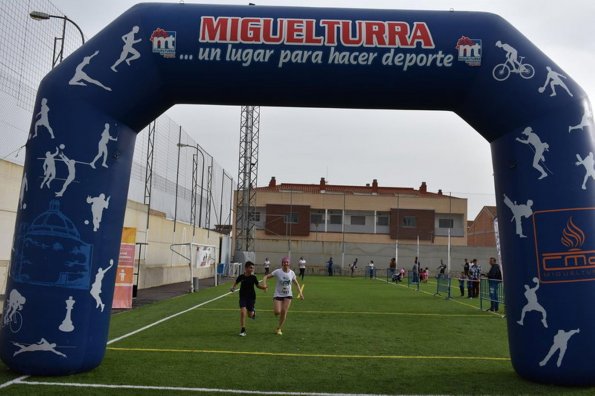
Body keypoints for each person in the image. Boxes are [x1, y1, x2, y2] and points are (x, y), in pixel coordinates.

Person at [262, 257, 303, 335]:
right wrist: (264, 285)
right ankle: (276, 312)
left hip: (288, 295)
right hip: (278, 294)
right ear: (282, 263)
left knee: (284, 311)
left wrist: (300, 294)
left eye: (287, 262)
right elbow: (265, 277)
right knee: (277, 312)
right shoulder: (278, 272)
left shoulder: (292, 273)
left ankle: (279, 328)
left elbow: (296, 284)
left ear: (289, 263)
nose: (286, 264)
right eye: (284, 262)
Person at [229, 261, 267, 336]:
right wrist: (233, 288)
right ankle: (243, 329)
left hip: (251, 298)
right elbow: (236, 282)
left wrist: (264, 287)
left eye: (253, 268)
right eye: (250, 268)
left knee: (250, 315)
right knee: (243, 312)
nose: (252, 269)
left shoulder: (253, 277)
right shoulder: (241, 277)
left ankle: (253, 312)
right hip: (243, 297)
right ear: (246, 268)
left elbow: (257, 285)